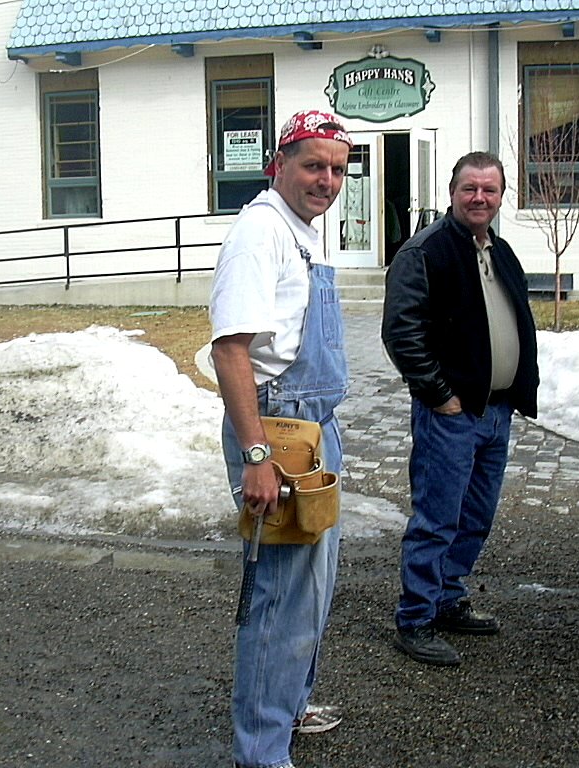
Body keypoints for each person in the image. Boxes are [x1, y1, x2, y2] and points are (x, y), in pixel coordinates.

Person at [209, 109, 352, 768]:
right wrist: (257, 456)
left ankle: (290, 703)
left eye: (337, 169)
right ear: (279, 165)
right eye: (313, 165)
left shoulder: (304, 232)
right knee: (278, 598)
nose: (326, 180)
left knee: (312, 591)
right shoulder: (259, 232)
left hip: (315, 426)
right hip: (277, 430)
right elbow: (230, 350)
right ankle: (262, 752)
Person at [381, 151, 539, 667]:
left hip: (495, 412)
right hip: (450, 413)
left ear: (501, 196)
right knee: (436, 520)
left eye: (489, 190)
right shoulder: (425, 252)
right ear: (452, 192)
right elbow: (401, 332)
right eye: (470, 188)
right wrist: (439, 394)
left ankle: (447, 596)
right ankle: (416, 618)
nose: (479, 198)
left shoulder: (500, 251)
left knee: (475, 516)